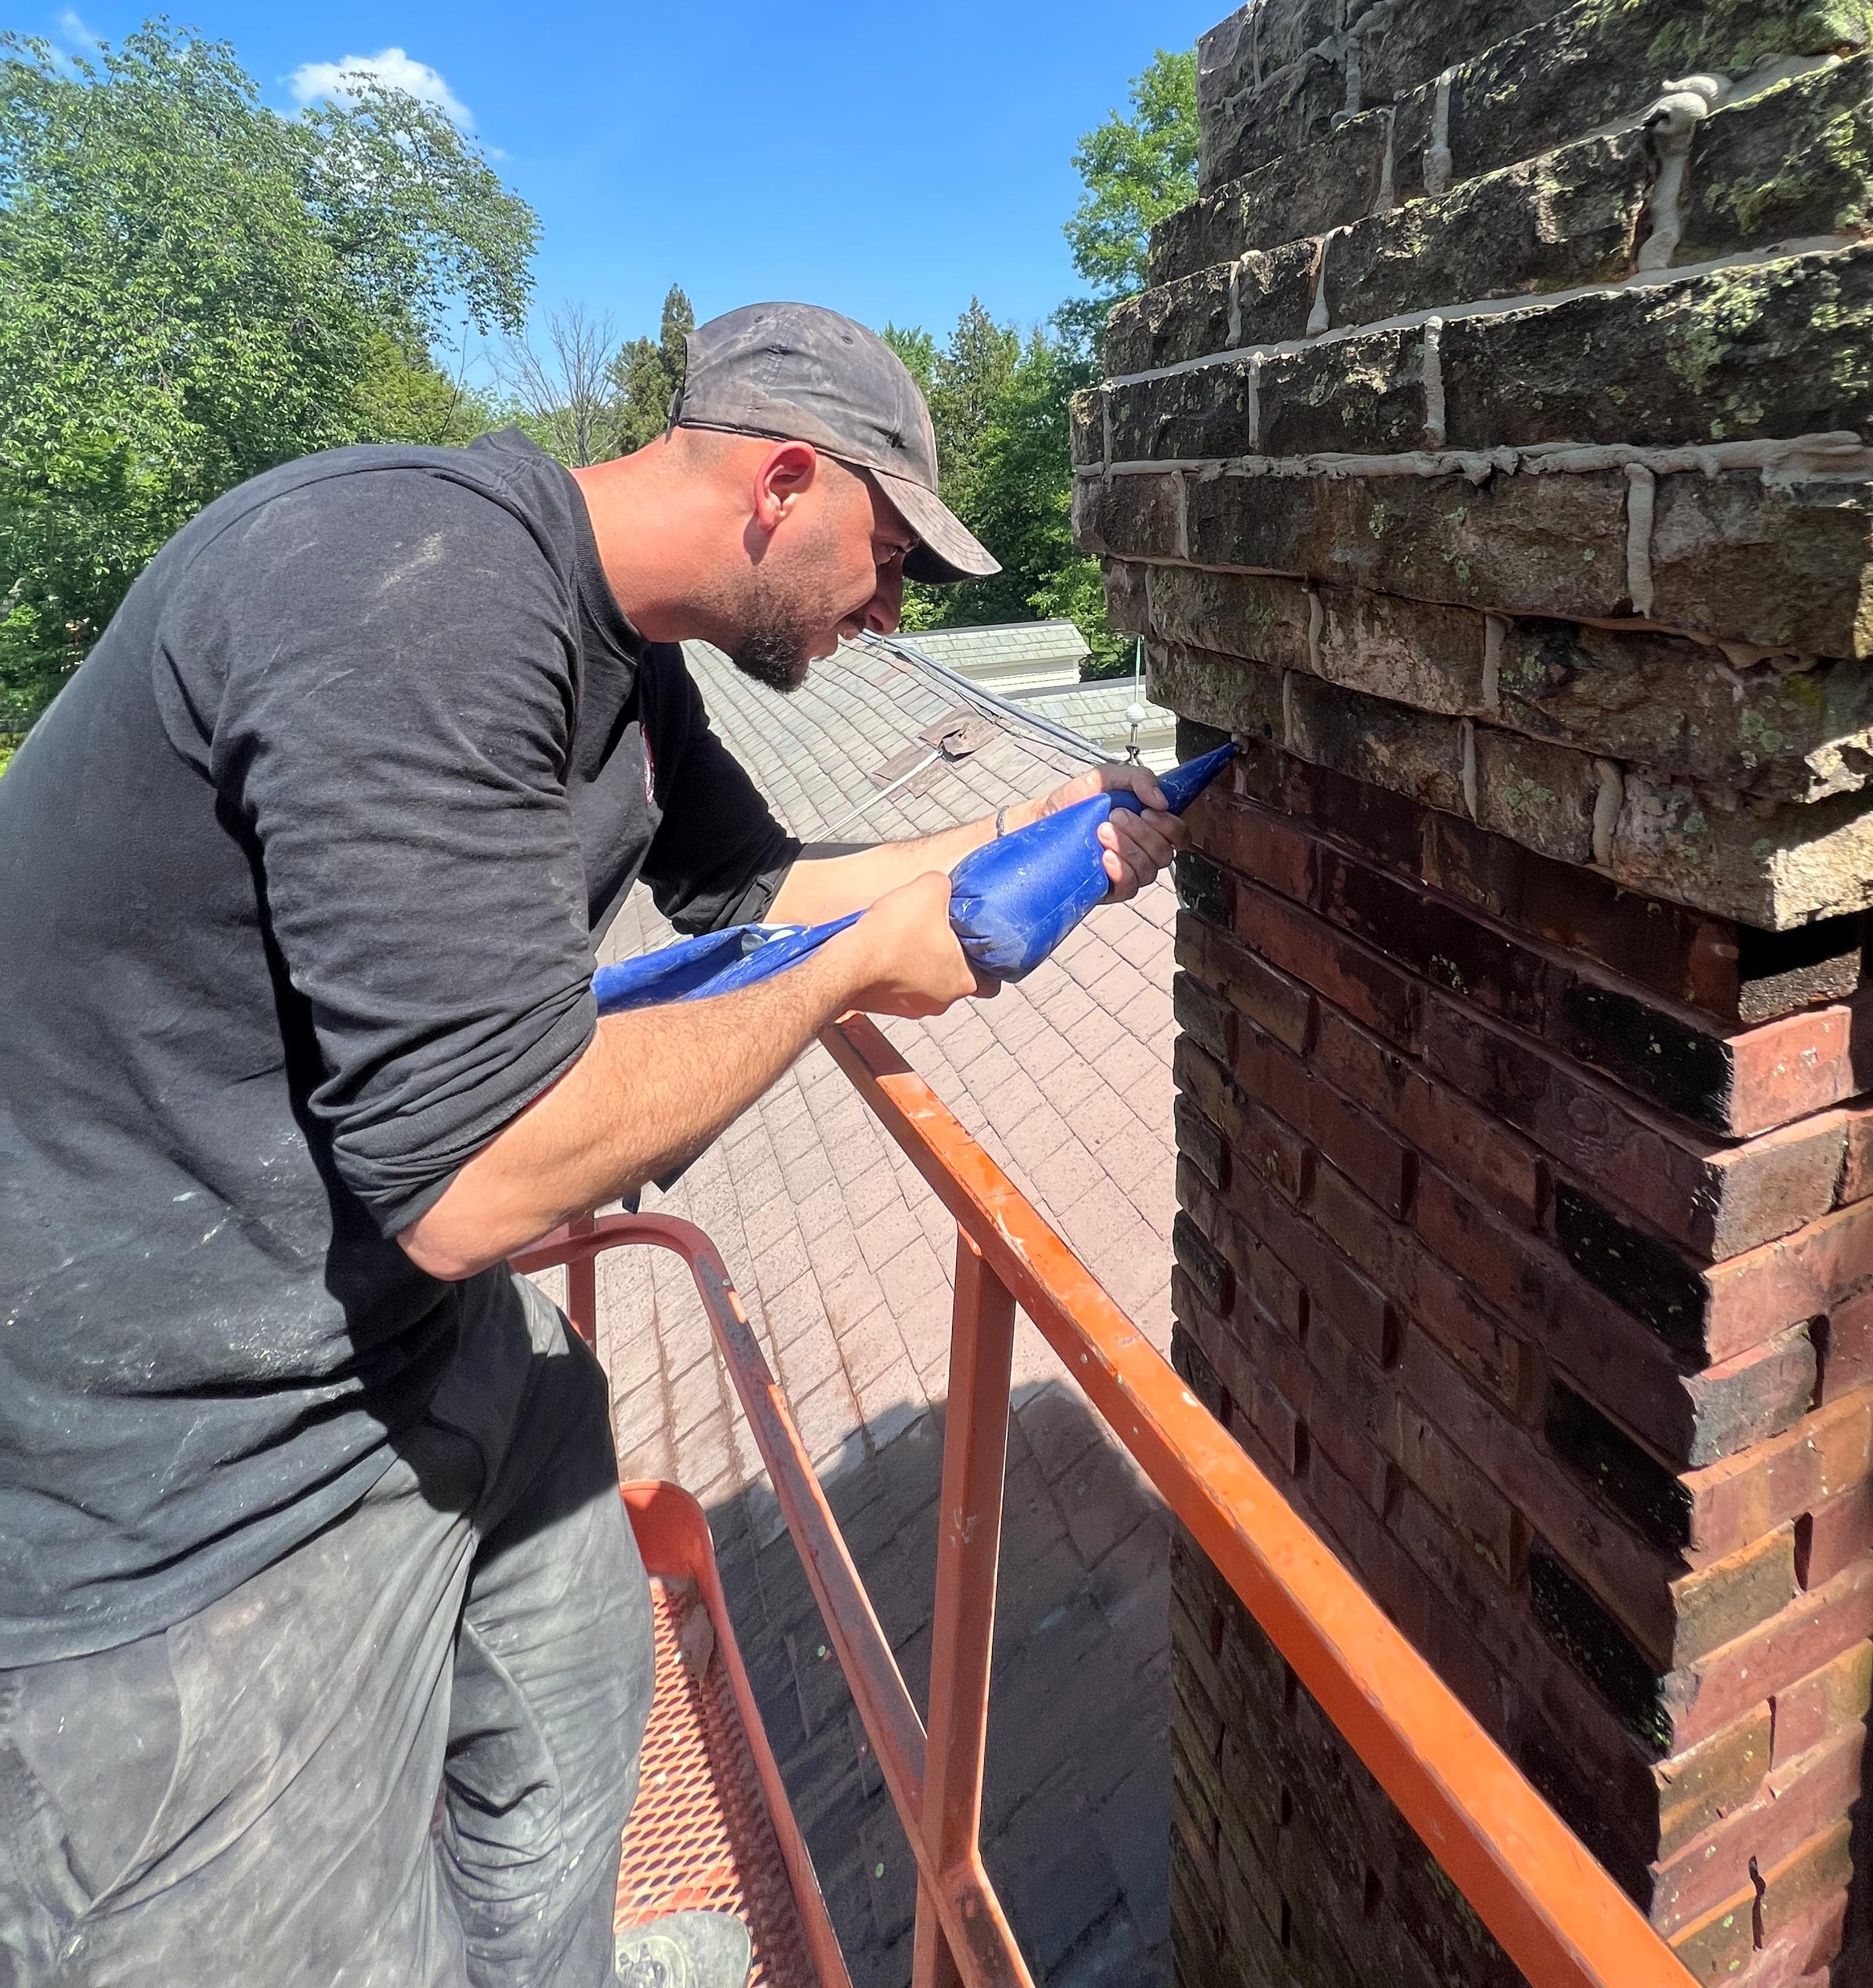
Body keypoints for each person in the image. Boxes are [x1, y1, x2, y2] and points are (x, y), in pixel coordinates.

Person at [0, 304, 1185, 1988]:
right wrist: (854, 972)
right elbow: (473, 1176)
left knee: (562, 1737)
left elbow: (757, 889)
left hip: (405, 1339)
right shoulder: (400, 590)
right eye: (893, 556)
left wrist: (1037, 832)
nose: (895, 611)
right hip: (160, 1472)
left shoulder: (621, 653)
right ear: (786, 482)